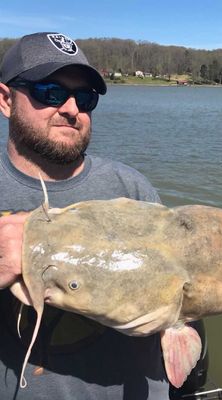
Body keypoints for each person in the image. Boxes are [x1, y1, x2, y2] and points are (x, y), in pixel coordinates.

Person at [0, 32, 169, 399]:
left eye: (85, 97)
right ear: (5, 99)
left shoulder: (132, 189)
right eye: (51, 92)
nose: (72, 109)